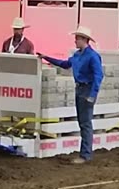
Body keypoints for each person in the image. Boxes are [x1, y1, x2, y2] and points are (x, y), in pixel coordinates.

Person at [38, 26, 103, 164]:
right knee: (83, 122)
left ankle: (85, 154)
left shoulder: (92, 56)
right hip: (81, 89)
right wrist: (47, 58)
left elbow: (98, 76)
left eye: (77, 39)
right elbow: (65, 64)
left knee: (85, 123)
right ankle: (85, 153)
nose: (75, 41)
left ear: (84, 40)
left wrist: (93, 94)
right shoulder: (78, 55)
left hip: (86, 89)